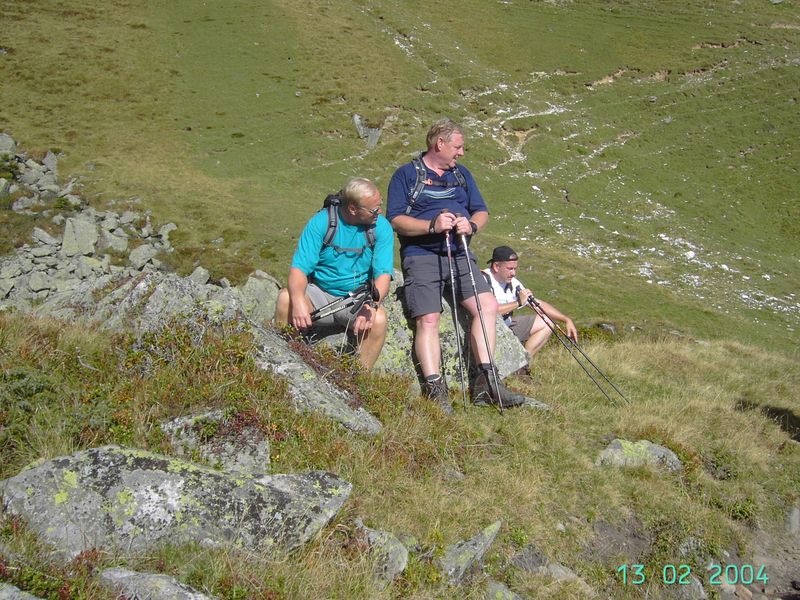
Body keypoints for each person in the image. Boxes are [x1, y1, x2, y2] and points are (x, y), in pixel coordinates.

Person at [387, 118, 526, 411]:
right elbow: (396, 220)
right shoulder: (406, 175)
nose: (461, 153)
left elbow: (481, 211)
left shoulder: (461, 175)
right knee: (428, 319)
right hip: (421, 255)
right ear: (439, 144)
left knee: (486, 305)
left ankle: (486, 383)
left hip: (460, 252)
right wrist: (432, 226)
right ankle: (435, 389)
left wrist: (471, 226)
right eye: (457, 147)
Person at [274, 177, 394, 370]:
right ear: (353, 208)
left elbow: (383, 275)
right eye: (373, 210)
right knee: (285, 299)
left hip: (357, 299)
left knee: (378, 319)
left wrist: (371, 305)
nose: (379, 212)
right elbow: (299, 269)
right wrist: (298, 302)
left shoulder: (381, 227)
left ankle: (359, 378)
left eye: (380, 205)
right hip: (319, 294)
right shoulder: (322, 222)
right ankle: (282, 363)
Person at [483, 245, 578, 360]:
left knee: (546, 322)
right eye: (510, 269)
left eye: (515, 269)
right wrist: (518, 303)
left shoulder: (513, 283)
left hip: (507, 327)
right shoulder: (482, 281)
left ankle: (523, 363)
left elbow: (537, 305)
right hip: (487, 331)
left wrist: (565, 319)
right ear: (496, 266)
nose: (513, 273)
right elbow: (487, 311)